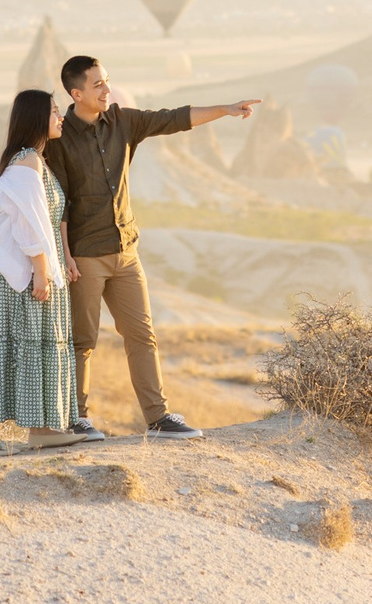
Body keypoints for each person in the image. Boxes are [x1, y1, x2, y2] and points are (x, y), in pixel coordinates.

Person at [42, 54, 255, 440]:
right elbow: (60, 203)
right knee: (82, 341)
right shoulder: (59, 139)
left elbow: (173, 118)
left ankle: (158, 418)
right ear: (76, 93)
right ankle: (76, 418)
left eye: (107, 80)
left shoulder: (123, 121)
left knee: (143, 335)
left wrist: (225, 110)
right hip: (85, 256)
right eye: (98, 85)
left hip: (126, 249)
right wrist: (67, 256)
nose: (107, 89)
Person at [0, 88, 89, 458]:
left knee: (38, 345)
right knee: (13, 347)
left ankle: (44, 429)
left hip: (40, 270)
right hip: (23, 276)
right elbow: (27, 225)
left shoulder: (36, 160)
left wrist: (60, 260)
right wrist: (40, 270)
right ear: (36, 119)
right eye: (53, 112)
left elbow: (47, 221)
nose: (60, 117)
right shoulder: (26, 163)